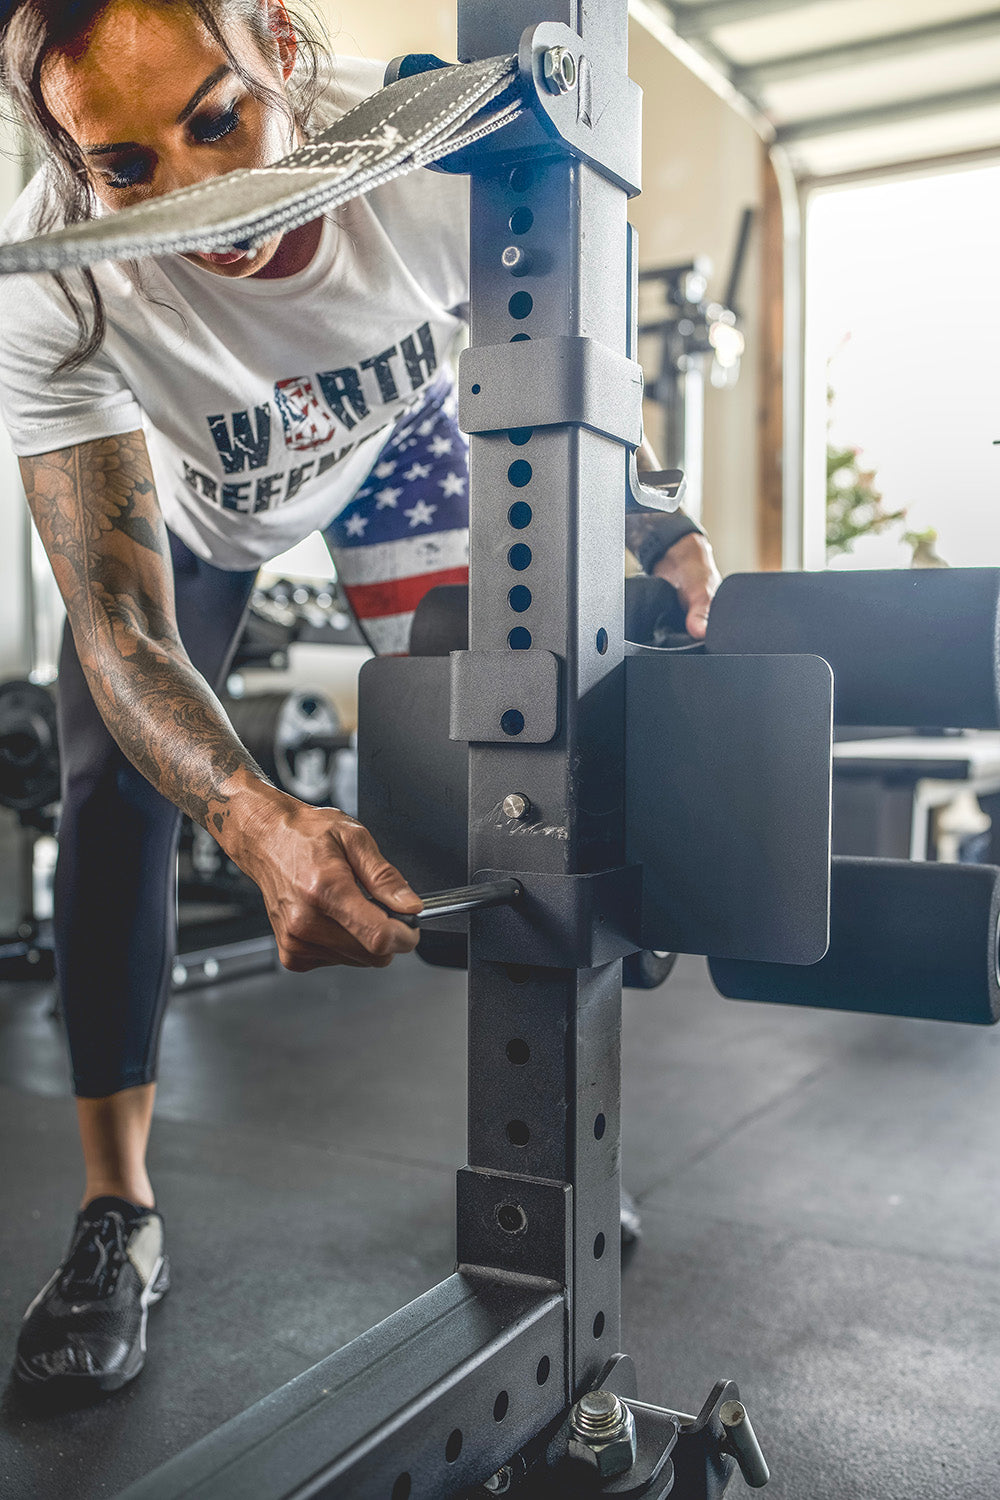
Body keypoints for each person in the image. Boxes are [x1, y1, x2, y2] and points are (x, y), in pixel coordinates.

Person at [0, 0, 721, 1401]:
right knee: (110, 785)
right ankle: (117, 1215)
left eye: (219, 116)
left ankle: (555, 1144)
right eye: (129, 166)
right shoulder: (59, 281)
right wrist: (256, 819)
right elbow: (120, 620)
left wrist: (644, 514)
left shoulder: (434, 165)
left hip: (397, 455)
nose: (202, 200)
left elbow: (559, 365)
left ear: (280, 45)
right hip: (198, 508)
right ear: (68, 159)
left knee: (516, 732)